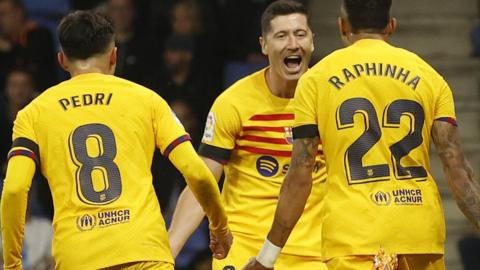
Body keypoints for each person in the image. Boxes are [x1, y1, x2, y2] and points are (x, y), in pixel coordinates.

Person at [244, 0, 480, 269]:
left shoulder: (315, 80)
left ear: (343, 26)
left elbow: (299, 176)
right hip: (419, 234)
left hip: (353, 238)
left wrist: (267, 257)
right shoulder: (430, 77)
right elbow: (458, 170)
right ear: (391, 26)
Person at [1, 10, 232, 270]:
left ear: (62, 60)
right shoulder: (148, 100)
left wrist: (11, 264)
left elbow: (13, 190)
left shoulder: (33, 114)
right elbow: (198, 174)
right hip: (145, 254)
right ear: (113, 56)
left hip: (78, 258)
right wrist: (220, 227)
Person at [168, 1, 327, 269]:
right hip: (244, 253)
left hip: (313, 257)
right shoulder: (234, 102)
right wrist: (168, 249)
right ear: (264, 45)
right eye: (281, 35)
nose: (293, 43)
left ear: (312, 41)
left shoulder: (330, 100)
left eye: (300, 34)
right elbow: (202, 181)